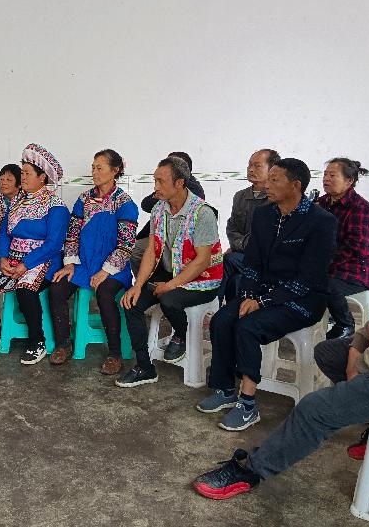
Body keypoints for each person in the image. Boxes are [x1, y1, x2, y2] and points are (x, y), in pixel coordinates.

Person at [192, 155, 369, 500]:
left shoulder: (327, 222)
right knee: (328, 352)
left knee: (314, 408)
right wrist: (359, 342)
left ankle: (251, 469)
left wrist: (365, 362)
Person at [196, 158, 336, 431]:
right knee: (222, 320)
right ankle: (225, 389)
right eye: (268, 179)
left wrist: (261, 302)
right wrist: (250, 295)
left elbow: (308, 278)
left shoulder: (321, 221)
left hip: (302, 298)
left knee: (248, 326)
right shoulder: (264, 215)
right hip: (261, 291)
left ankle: (248, 403)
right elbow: (252, 263)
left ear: (295, 186)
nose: (267, 185)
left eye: (275, 180)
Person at [115, 156, 222, 387]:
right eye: (155, 180)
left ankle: (182, 334)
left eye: (161, 181)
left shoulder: (203, 213)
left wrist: (170, 285)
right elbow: (152, 251)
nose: (155, 187)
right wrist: (137, 285)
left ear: (179, 183)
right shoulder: (159, 209)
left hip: (203, 279)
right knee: (131, 303)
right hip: (170, 273)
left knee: (169, 299)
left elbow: (202, 261)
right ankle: (144, 367)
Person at [0, 143, 69, 364]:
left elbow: (53, 244)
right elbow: (4, 233)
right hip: (12, 258)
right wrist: (3, 258)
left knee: (25, 290)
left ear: (42, 177)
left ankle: (37, 342)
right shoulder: (17, 202)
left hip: (42, 261)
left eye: (27, 173)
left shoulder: (56, 206)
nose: (22, 177)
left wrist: (26, 264)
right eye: (22, 172)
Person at [48, 149, 138, 374]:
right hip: (84, 264)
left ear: (114, 170)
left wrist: (106, 271)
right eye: (93, 167)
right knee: (57, 287)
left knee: (105, 293)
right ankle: (63, 344)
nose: (94, 172)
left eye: (100, 167)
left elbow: (126, 245)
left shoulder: (125, 203)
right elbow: (72, 235)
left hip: (114, 268)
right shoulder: (84, 200)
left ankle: (114, 353)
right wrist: (70, 263)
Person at [316, 157, 369, 339]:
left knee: (323, 283)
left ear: (349, 181)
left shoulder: (360, 207)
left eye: (332, 175)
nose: (326, 179)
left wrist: (323, 262)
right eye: (325, 175)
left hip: (357, 269)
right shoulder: (322, 203)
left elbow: (355, 246)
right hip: (330, 265)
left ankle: (345, 324)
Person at [219, 149, 280, 304]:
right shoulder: (240, 196)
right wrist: (242, 245)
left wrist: (242, 246)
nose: (251, 169)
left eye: (257, 166)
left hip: (265, 259)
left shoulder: (276, 198)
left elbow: (268, 236)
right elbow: (232, 228)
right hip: (242, 255)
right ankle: (231, 310)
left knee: (228, 260)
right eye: (249, 165)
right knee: (235, 279)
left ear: (272, 169)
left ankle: (216, 306)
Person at [130, 151, 205, 277]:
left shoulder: (195, 190)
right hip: (160, 232)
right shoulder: (164, 186)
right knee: (137, 250)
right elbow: (146, 204)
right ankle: (145, 281)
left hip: (181, 237)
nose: (156, 187)